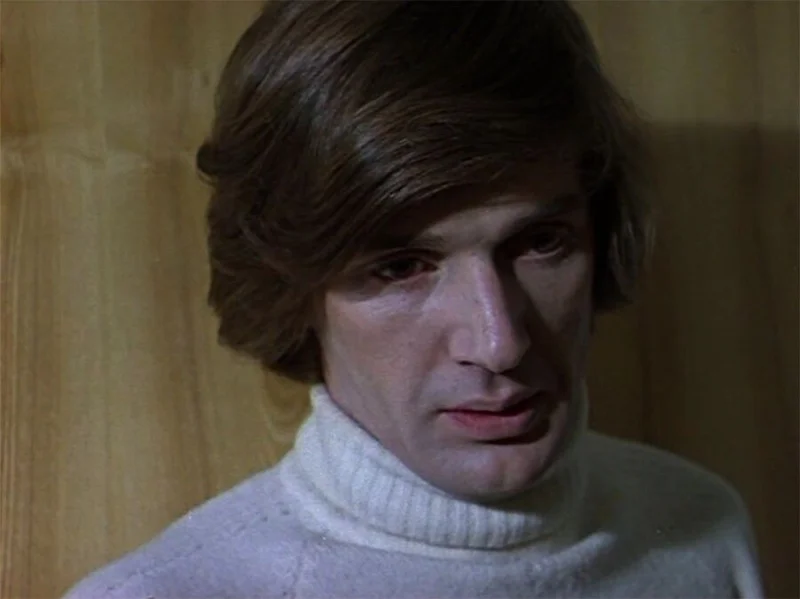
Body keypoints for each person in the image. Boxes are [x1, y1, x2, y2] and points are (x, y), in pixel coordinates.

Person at [65, 1, 764, 597]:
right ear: (295, 290)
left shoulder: (699, 532)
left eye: (540, 243)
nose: (499, 342)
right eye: (401, 267)